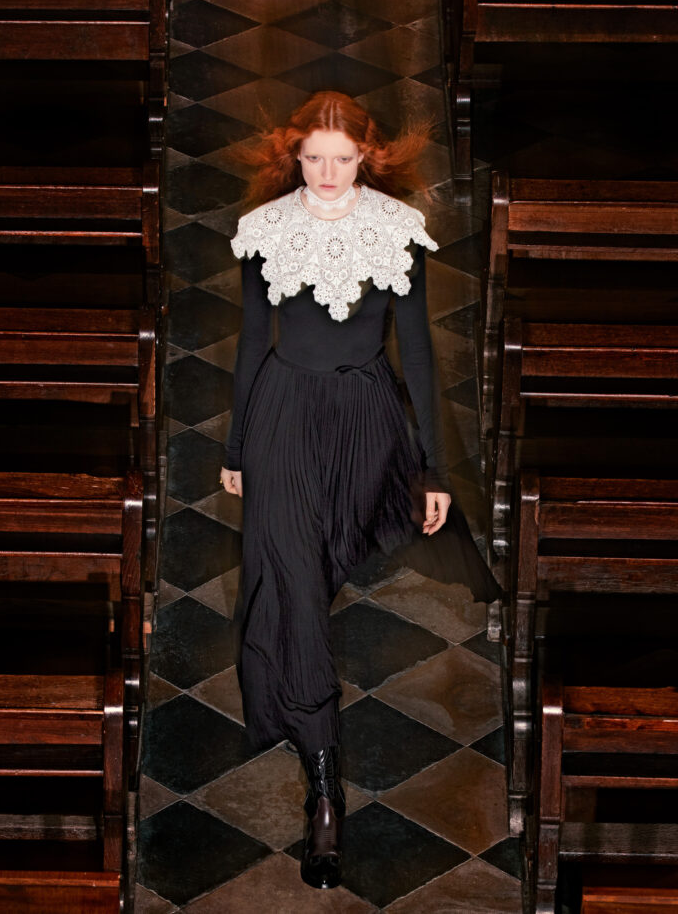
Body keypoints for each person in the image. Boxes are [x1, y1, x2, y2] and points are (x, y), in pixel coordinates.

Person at [219, 90, 498, 890]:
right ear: (294, 157)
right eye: (314, 158)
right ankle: (324, 788)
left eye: (342, 158)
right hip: (281, 418)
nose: (327, 172)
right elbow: (251, 344)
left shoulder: (396, 231)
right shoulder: (265, 231)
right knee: (296, 588)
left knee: (324, 560)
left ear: (367, 158)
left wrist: (432, 469)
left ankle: (299, 704)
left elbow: (417, 354)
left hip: (365, 421)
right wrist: (236, 447)